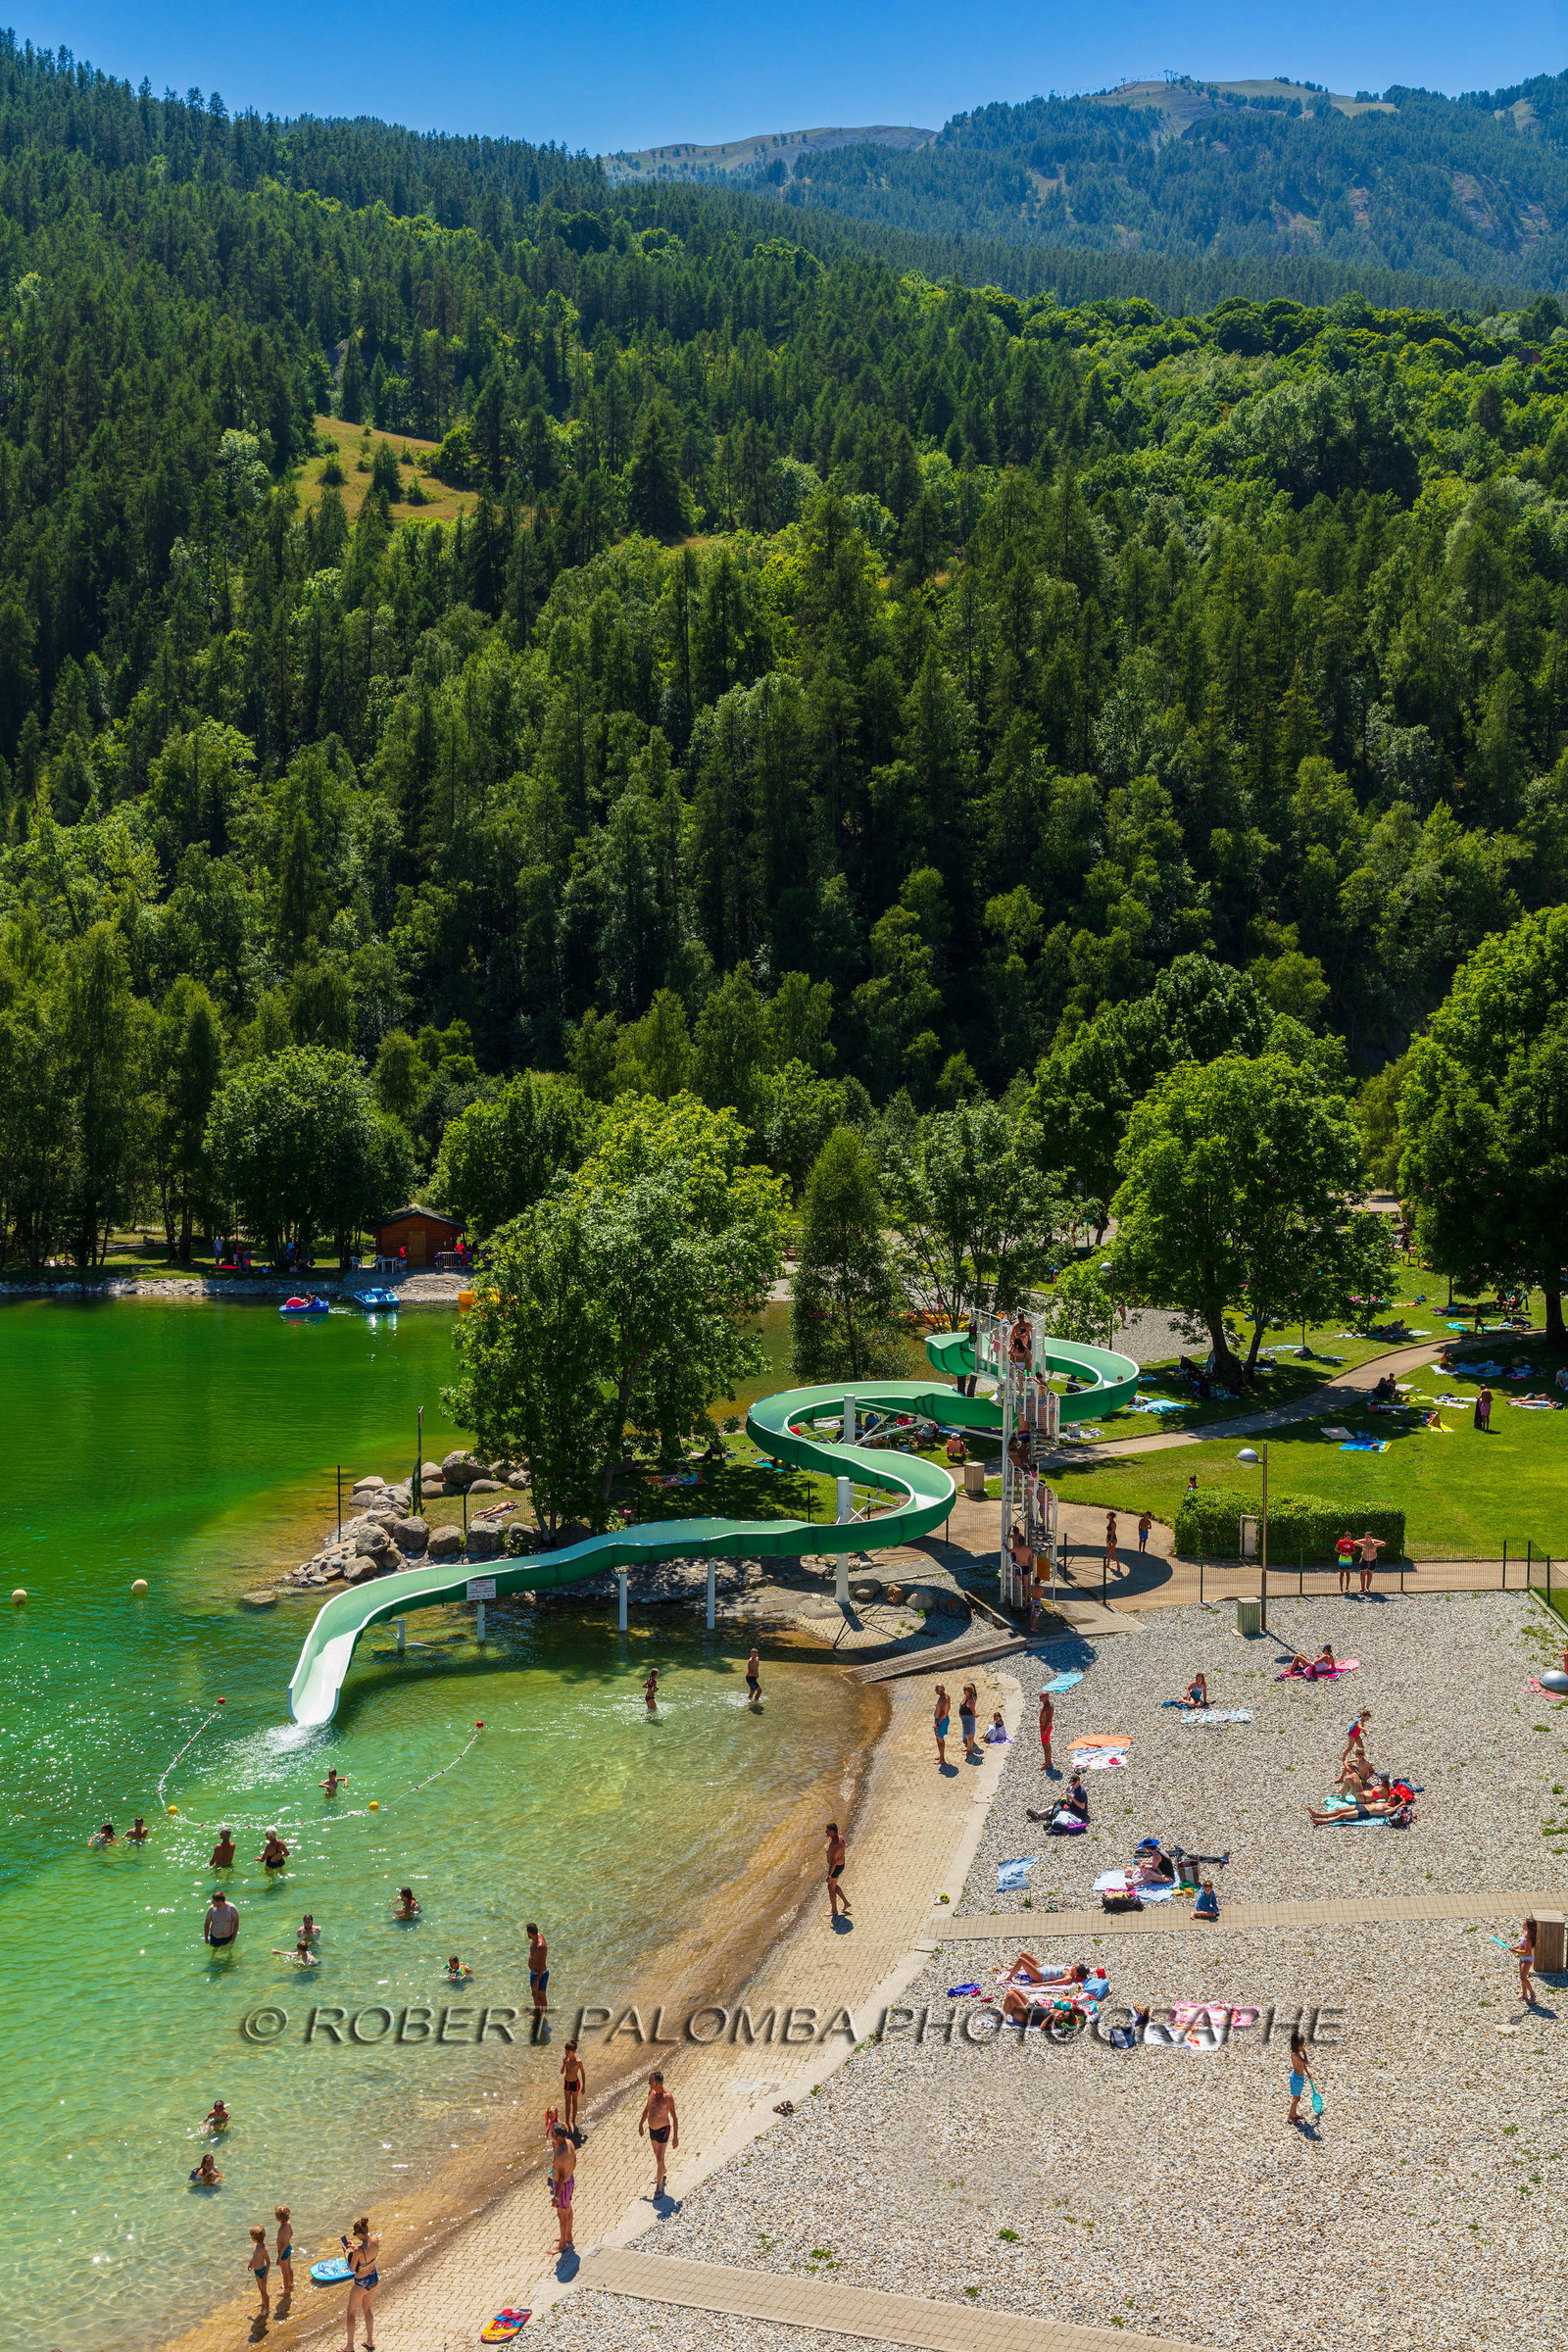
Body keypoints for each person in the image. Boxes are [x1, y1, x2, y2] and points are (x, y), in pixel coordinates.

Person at [639, 2070, 679, 2199]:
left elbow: (674, 2117)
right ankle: (662, 2170)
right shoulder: (651, 2092)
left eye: (650, 2081)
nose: (648, 2083)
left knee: (660, 2157)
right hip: (652, 2130)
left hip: (663, 2130)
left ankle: (658, 2188)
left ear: (656, 2083)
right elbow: (647, 2108)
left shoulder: (668, 2097)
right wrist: (641, 2124)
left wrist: (675, 2137)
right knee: (657, 2156)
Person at [344, 2215, 379, 2348]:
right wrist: (355, 2249)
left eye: (355, 2234)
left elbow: (352, 2269)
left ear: (358, 2233)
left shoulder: (358, 2251)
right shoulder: (376, 2239)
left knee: (351, 2313)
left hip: (361, 2282)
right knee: (367, 2308)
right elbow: (367, 2252)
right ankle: (370, 2341)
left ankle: (349, 2346)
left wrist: (346, 2253)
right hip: (373, 2277)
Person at [550, 2121, 577, 2250]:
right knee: (568, 2208)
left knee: (562, 2214)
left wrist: (556, 2196)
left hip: (562, 2185)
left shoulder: (561, 2156)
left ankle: (562, 2244)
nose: (551, 2135)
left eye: (553, 2133)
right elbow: (575, 2160)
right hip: (570, 2179)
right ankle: (568, 2235)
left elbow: (560, 2178)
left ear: (557, 2136)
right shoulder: (569, 2143)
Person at [1287, 2029, 1313, 2127]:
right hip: (1296, 2078)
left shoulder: (1297, 2053)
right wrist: (1305, 2052)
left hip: (1299, 2077)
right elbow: (1306, 2062)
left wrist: (1307, 2072)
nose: (1303, 2046)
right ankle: (1289, 2116)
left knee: (1296, 2097)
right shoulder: (1295, 2054)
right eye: (1302, 2044)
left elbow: (1303, 2064)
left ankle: (1294, 2114)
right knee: (1296, 2099)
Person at [825, 1821, 851, 1920]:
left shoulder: (836, 1844)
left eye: (827, 1831)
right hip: (840, 1865)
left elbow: (834, 1861)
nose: (825, 1832)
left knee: (831, 1888)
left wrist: (829, 1875)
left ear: (832, 1832)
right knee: (834, 1886)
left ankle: (834, 1911)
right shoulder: (840, 1838)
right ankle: (846, 1903)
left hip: (836, 1867)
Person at [561, 2040, 585, 2138]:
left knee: (574, 2102)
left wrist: (584, 2086)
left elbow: (583, 2073)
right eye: (566, 2052)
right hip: (567, 2083)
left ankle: (573, 2121)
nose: (566, 2054)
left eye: (568, 2052)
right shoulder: (565, 2059)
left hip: (575, 2083)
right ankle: (567, 2121)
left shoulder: (578, 2062)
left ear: (574, 2051)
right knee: (567, 2102)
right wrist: (564, 2064)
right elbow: (562, 2072)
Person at [1514, 1917, 1538, 2007]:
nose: (1522, 1925)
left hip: (1527, 1960)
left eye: (1524, 1924)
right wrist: (1515, 1947)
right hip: (1522, 1958)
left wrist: (1516, 1951)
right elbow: (1521, 1944)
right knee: (1522, 1977)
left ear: (1529, 1927)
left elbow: (1527, 1952)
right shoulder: (1525, 1934)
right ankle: (1524, 1994)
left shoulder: (1529, 1938)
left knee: (1523, 1978)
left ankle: (1532, 1993)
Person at [248, 2226, 271, 2317]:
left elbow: (268, 2262)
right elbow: (254, 2256)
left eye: (251, 2236)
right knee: (260, 2288)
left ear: (255, 2238)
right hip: (256, 2270)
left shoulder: (262, 2248)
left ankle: (267, 2309)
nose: (251, 2238)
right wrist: (251, 2264)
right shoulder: (256, 2245)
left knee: (264, 2291)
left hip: (261, 2271)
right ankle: (263, 2302)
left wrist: (265, 2276)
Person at [527, 1922, 549, 2015]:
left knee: (541, 1996)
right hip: (533, 1972)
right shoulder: (536, 1937)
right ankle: (537, 2013)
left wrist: (537, 1980)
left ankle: (543, 2017)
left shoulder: (540, 1946)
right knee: (534, 1994)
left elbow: (542, 1964)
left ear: (530, 1933)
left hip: (541, 1975)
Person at [274, 2206, 294, 2299]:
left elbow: (281, 2246)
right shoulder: (288, 2224)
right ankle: (290, 2283)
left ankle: (286, 2290)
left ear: (279, 2218)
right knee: (289, 2268)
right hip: (288, 2247)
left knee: (284, 2272)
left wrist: (279, 2258)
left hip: (282, 2252)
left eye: (276, 2216)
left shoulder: (281, 2230)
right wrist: (287, 2241)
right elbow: (291, 2233)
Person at [958, 1683, 979, 1762]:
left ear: (969, 1691)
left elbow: (973, 1711)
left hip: (968, 1719)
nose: (964, 1692)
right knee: (967, 1734)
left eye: (965, 1691)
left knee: (969, 1735)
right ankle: (968, 1749)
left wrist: (975, 1715)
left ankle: (970, 1751)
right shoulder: (966, 1698)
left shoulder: (970, 1700)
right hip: (965, 1719)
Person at [933, 1683, 951, 1768]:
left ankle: (942, 1759)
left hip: (941, 1721)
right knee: (938, 1738)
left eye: (936, 1689)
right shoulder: (944, 1697)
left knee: (940, 1740)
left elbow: (943, 1713)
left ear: (941, 1690)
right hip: (941, 1720)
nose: (935, 1691)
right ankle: (941, 1756)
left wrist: (937, 1724)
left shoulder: (944, 1699)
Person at [1038, 1688, 1054, 1774]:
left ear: (1047, 1697)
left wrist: (1045, 1730)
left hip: (1046, 1728)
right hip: (1044, 1727)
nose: (1040, 1698)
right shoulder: (1045, 1705)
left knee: (1045, 1745)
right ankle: (1048, 1761)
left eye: (1042, 1696)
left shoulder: (1049, 1707)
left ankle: (1046, 1764)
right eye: (1040, 1696)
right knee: (1046, 1744)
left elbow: (1049, 1719)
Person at [1104, 1512, 1119, 1577]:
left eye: (1108, 1515)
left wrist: (1110, 1541)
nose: (1107, 1515)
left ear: (1110, 1516)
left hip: (1113, 1539)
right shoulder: (1109, 1522)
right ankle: (1108, 1564)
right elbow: (1108, 1532)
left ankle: (1118, 1565)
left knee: (1113, 1552)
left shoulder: (1113, 1523)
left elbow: (1113, 1533)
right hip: (1109, 1538)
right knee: (1109, 1552)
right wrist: (1107, 1538)